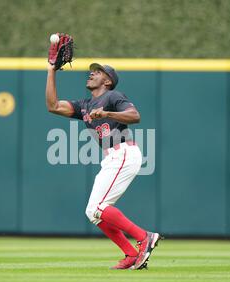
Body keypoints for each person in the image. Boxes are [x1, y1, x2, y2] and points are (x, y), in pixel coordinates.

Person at [45, 62, 162, 270]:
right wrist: (51, 70)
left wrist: (108, 113)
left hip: (124, 152)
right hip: (111, 158)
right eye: (92, 70)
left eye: (98, 72)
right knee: (93, 212)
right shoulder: (85, 106)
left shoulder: (113, 96)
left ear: (107, 81)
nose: (92, 73)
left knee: (100, 207)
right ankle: (131, 254)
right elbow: (53, 106)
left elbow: (135, 116)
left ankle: (145, 237)